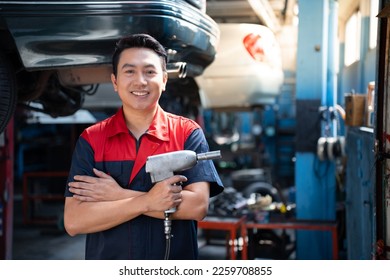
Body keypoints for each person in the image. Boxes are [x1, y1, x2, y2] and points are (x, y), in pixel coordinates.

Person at [63, 33, 224, 260]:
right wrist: (147, 201)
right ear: (115, 81)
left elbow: (197, 207)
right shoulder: (92, 139)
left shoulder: (187, 133)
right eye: (129, 71)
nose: (140, 81)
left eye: (150, 72)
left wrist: (118, 195)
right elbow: (74, 220)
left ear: (165, 80)